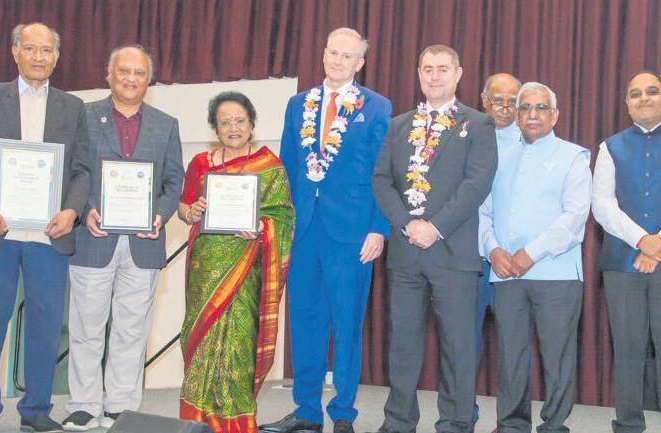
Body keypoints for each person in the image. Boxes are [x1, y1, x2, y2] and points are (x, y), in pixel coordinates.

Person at [258, 28, 391, 433]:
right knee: (305, 319)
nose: (338, 60)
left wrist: (379, 228)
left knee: (346, 324)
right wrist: (279, 221)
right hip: (304, 229)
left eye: (347, 55)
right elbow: (286, 167)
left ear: (360, 63)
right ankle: (307, 410)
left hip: (352, 233)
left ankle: (343, 412)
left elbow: (383, 172)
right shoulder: (298, 104)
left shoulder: (376, 106)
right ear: (323, 54)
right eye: (333, 52)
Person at [0, 22, 91, 433]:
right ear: (14, 51)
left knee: (45, 324)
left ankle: (36, 408)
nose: (39, 57)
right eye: (31, 48)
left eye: (47, 50)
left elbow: (82, 170)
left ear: (57, 57)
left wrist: (71, 211)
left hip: (49, 236)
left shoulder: (73, 107)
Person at [372, 44, 497, 433]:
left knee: (457, 346)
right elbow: (381, 180)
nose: (435, 76)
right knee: (402, 344)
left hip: (453, 252)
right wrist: (407, 224)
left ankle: (456, 422)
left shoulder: (478, 124)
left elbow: (476, 184)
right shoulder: (399, 125)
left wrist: (435, 227)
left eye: (443, 68)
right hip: (406, 252)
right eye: (428, 68)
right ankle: (398, 420)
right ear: (419, 74)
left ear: (458, 74)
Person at [61, 45, 184, 431]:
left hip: (144, 244)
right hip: (92, 238)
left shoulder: (166, 124)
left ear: (149, 80)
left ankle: (120, 406)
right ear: (109, 75)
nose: (132, 79)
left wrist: (160, 214)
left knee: (132, 329)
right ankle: (84, 405)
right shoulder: (83, 116)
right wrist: (85, 209)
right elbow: (73, 170)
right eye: (124, 71)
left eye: (139, 73)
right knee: (86, 327)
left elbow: (174, 181)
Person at [592, 71, 661, 433]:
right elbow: (602, 205)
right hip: (622, 264)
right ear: (627, 103)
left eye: (652, 91)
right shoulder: (610, 147)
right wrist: (643, 240)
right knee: (627, 352)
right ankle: (628, 425)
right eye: (636, 93)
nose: (644, 98)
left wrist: (659, 243)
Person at [176, 91, 294, 433]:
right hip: (206, 268)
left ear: (251, 124)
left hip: (246, 270)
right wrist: (191, 211)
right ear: (215, 128)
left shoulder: (269, 166)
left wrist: (262, 227)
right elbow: (183, 207)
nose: (233, 128)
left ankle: (236, 422)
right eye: (225, 122)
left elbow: (284, 216)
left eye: (239, 121)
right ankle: (196, 422)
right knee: (200, 340)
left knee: (239, 344)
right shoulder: (201, 163)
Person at [479, 82, 590, 433]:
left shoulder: (573, 156)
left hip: (556, 273)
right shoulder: (498, 157)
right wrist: (493, 249)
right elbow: (483, 212)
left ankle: (554, 426)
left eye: (540, 108)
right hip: (507, 273)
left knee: (557, 358)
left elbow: (574, 217)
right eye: (525, 107)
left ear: (554, 115)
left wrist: (531, 252)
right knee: (510, 355)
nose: (532, 114)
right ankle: (512, 425)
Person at [473, 72, 520, 422]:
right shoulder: (467, 135)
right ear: (483, 100)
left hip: (516, 259)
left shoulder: (531, 140)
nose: (504, 107)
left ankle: (512, 423)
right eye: (497, 100)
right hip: (471, 257)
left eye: (512, 101)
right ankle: (462, 416)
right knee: (463, 342)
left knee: (514, 346)